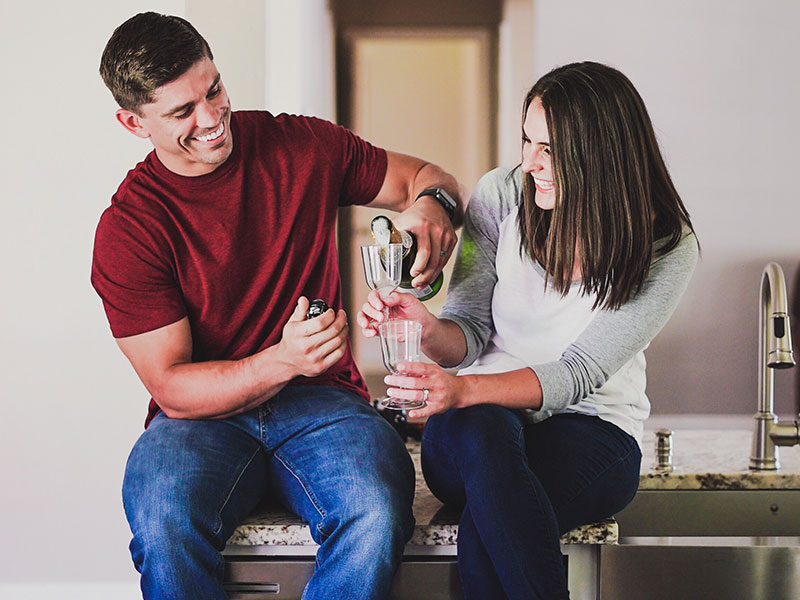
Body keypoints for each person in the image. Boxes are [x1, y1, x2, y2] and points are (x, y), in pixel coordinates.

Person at [91, 12, 465, 600]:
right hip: (199, 422)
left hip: (325, 404)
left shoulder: (301, 145)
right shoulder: (130, 229)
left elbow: (426, 177)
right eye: (182, 112)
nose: (212, 119)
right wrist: (284, 361)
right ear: (134, 123)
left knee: (375, 512)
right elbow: (172, 386)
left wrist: (432, 207)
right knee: (164, 521)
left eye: (213, 90)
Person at [358, 61, 699, 599]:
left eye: (551, 150)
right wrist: (425, 328)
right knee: (486, 438)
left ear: (600, 156)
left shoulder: (665, 243)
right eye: (527, 140)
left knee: (489, 522)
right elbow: (467, 331)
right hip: (475, 430)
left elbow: (578, 372)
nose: (530, 162)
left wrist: (464, 388)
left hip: (594, 430)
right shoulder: (500, 196)